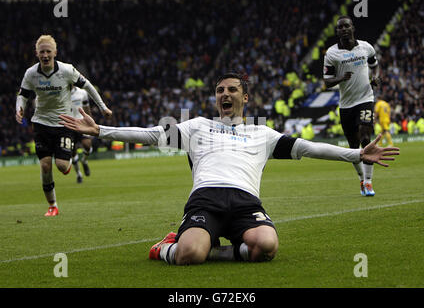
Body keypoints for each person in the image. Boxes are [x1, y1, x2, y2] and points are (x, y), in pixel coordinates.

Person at [59, 72, 399, 265]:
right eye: (220, 90)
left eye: (232, 89)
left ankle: (214, 249)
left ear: (245, 98)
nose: (225, 93)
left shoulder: (261, 132)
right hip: (205, 199)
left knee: (266, 247)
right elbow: (151, 135)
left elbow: (308, 148)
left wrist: (355, 155)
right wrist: (100, 131)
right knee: (189, 255)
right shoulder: (197, 126)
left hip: (246, 203)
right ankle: (165, 247)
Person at [15, 35, 112, 217]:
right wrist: (19, 109)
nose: (45, 55)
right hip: (41, 124)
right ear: (37, 53)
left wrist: (103, 107)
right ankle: (53, 206)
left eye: (48, 51)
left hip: (64, 123)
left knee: (60, 165)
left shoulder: (67, 70)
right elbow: (23, 94)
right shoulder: (31, 73)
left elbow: (88, 86)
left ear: (55, 53)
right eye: (41, 52)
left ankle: (69, 164)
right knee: (45, 166)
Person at [323, 16, 381, 197]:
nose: (344, 29)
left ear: (352, 28)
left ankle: (370, 182)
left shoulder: (366, 47)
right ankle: (362, 179)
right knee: (354, 147)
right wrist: (341, 78)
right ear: (337, 31)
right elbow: (327, 82)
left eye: (346, 26)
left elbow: (375, 65)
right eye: (340, 27)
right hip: (346, 105)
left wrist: (375, 77)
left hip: (365, 99)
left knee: (365, 137)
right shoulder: (332, 54)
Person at [70, 85, 94, 183]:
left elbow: (87, 108)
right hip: (69, 125)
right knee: (72, 151)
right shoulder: (61, 93)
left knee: (87, 145)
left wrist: (91, 123)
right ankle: (79, 174)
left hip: (82, 123)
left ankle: (84, 160)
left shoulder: (82, 93)